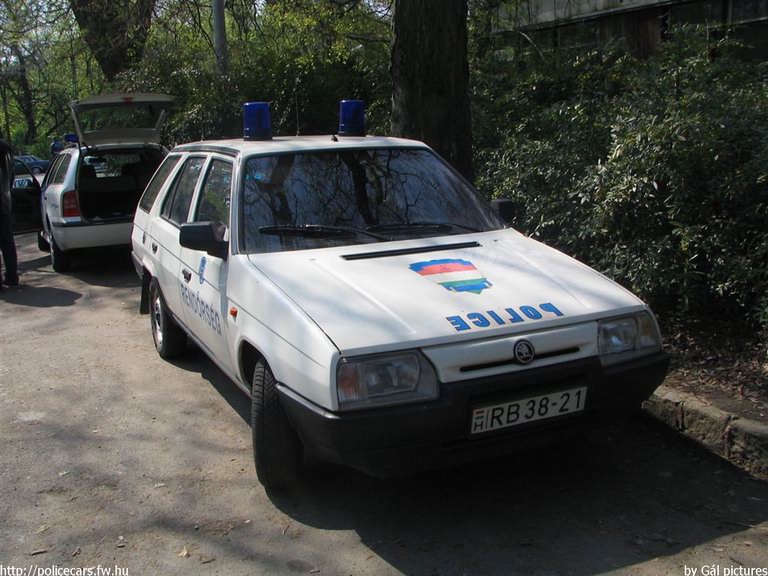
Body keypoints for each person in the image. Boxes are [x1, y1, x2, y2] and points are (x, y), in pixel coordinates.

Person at [0, 137, 18, 288]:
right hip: (4, 200)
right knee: (7, 241)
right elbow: (12, 175)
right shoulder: (5, 147)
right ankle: (12, 276)